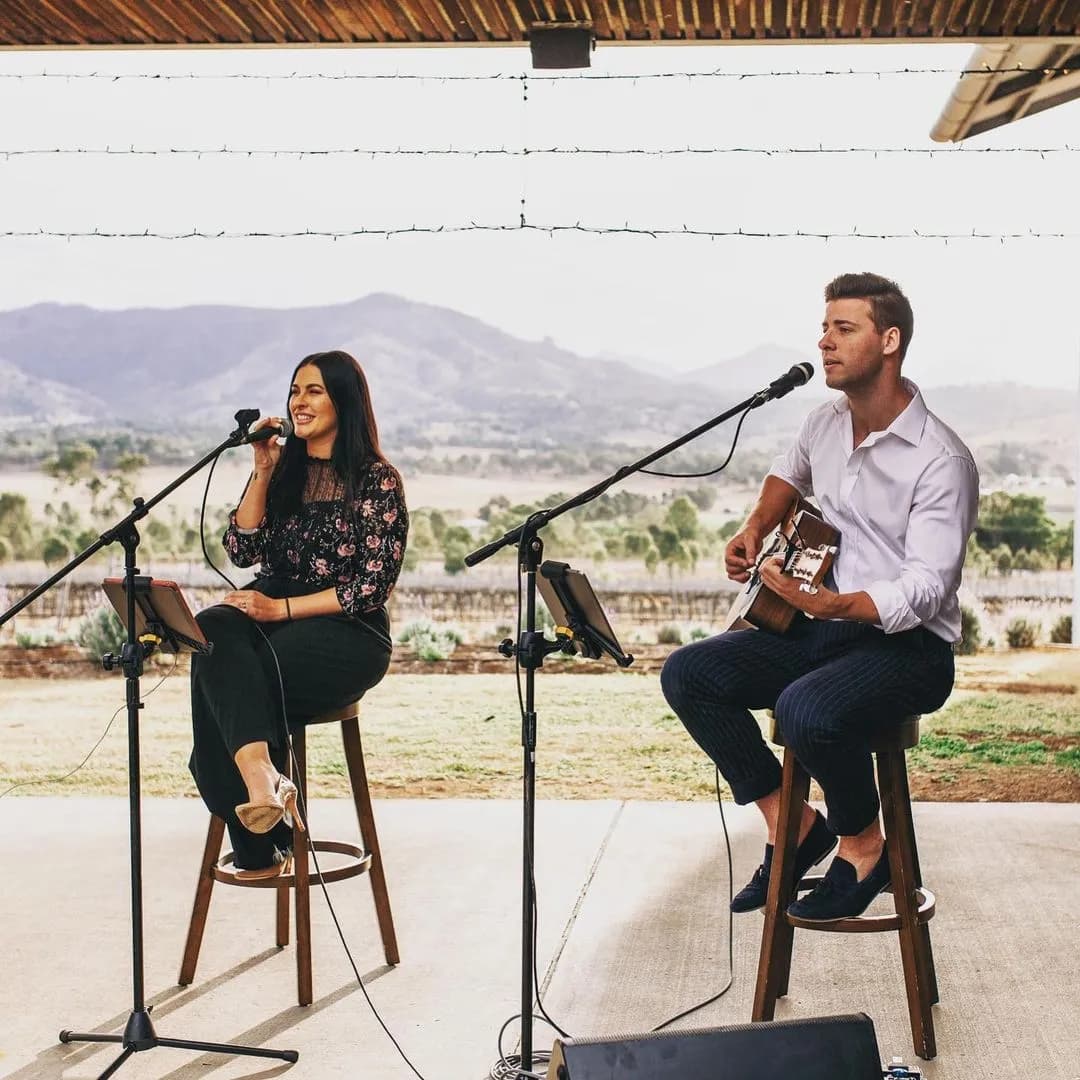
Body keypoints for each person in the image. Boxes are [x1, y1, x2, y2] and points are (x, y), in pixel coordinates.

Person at [661, 272, 978, 922]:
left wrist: (830, 605)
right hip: (824, 633)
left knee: (805, 710)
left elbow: (926, 589)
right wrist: (754, 529)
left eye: (844, 328)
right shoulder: (825, 423)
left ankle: (864, 846)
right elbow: (788, 472)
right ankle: (794, 825)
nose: (825, 342)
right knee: (690, 673)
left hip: (910, 649)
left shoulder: (941, 460)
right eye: (824, 328)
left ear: (889, 341)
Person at [189, 349, 408, 880]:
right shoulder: (283, 470)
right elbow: (241, 549)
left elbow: (369, 587)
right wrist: (262, 471)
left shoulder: (376, 481)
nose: (299, 401)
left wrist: (279, 609)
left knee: (233, 673)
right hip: (271, 610)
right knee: (212, 628)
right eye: (294, 390)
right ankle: (263, 779)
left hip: (345, 631)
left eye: (314, 391)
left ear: (345, 401)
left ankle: (260, 842)